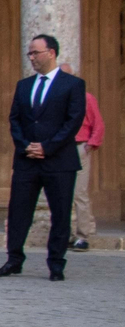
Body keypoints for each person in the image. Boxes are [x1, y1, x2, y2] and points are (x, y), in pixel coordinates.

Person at [0, 34, 87, 282]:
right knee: (18, 212)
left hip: (59, 161)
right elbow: (15, 119)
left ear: (52, 52)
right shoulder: (24, 85)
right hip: (27, 160)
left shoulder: (73, 84)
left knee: (60, 214)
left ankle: (56, 264)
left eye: (36, 52)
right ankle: (14, 259)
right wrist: (26, 146)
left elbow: (73, 121)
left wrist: (47, 147)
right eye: (30, 53)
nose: (32, 57)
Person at [61, 62, 104, 251]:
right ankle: (67, 234)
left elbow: (98, 124)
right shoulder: (56, 98)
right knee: (62, 193)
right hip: (60, 149)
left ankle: (82, 235)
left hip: (79, 146)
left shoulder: (86, 98)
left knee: (79, 193)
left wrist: (90, 144)